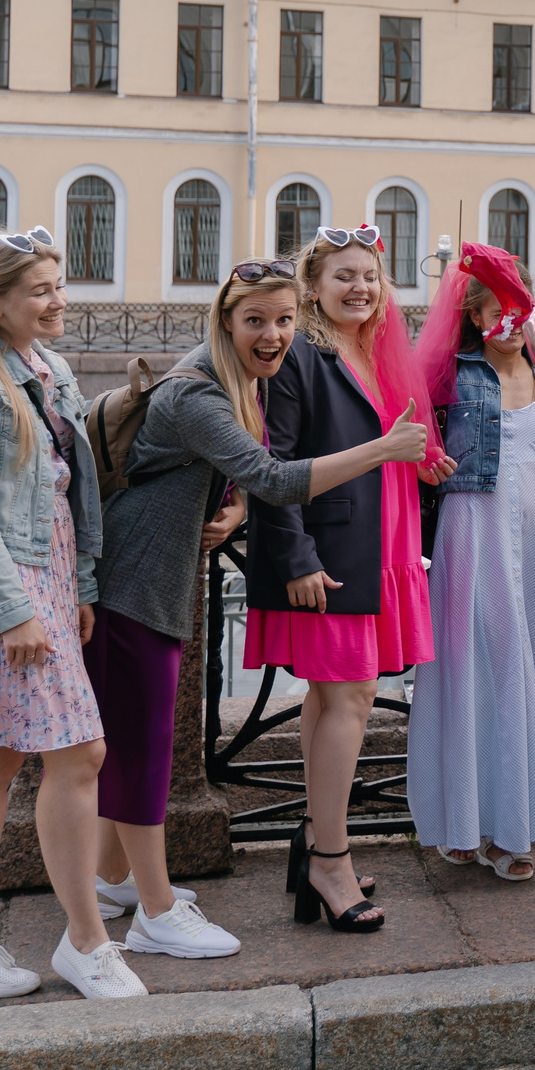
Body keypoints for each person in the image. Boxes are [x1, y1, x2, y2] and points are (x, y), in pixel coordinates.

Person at [87, 259, 406, 954]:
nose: (273, 334)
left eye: (285, 319)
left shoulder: (224, 379)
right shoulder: (198, 394)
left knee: (131, 740)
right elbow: (271, 474)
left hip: (149, 575)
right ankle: (156, 912)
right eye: (255, 320)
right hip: (136, 583)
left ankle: (114, 879)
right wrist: (383, 448)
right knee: (143, 751)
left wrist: (228, 512)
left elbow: (224, 474)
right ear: (225, 321)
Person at [0, 224, 142, 1001]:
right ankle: (86, 940)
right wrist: (17, 611)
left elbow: (71, 492)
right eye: (39, 290)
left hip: (41, 583)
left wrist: (78, 586)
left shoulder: (47, 369)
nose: (58, 299)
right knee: (79, 754)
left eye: (58, 284)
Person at [247, 224, 434, 935]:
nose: (360, 286)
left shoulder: (375, 349)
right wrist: (295, 556)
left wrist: (422, 464)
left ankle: (314, 839)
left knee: (332, 700)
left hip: (379, 536)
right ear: (315, 287)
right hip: (330, 549)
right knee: (351, 696)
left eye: (370, 275)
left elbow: (389, 442)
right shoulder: (300, 352)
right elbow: (275, 458)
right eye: (343, 276)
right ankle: (331, 857)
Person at [405, 263, 535, 880]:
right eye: (496, 310)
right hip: (470, 527)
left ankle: (517, 827)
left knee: (529, 660)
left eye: (518, 308)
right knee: (473, 662)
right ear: (476, 317)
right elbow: (408, 431)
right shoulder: (453, 374)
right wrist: (426, 460)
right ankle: (465, 820)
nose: (509, 322)